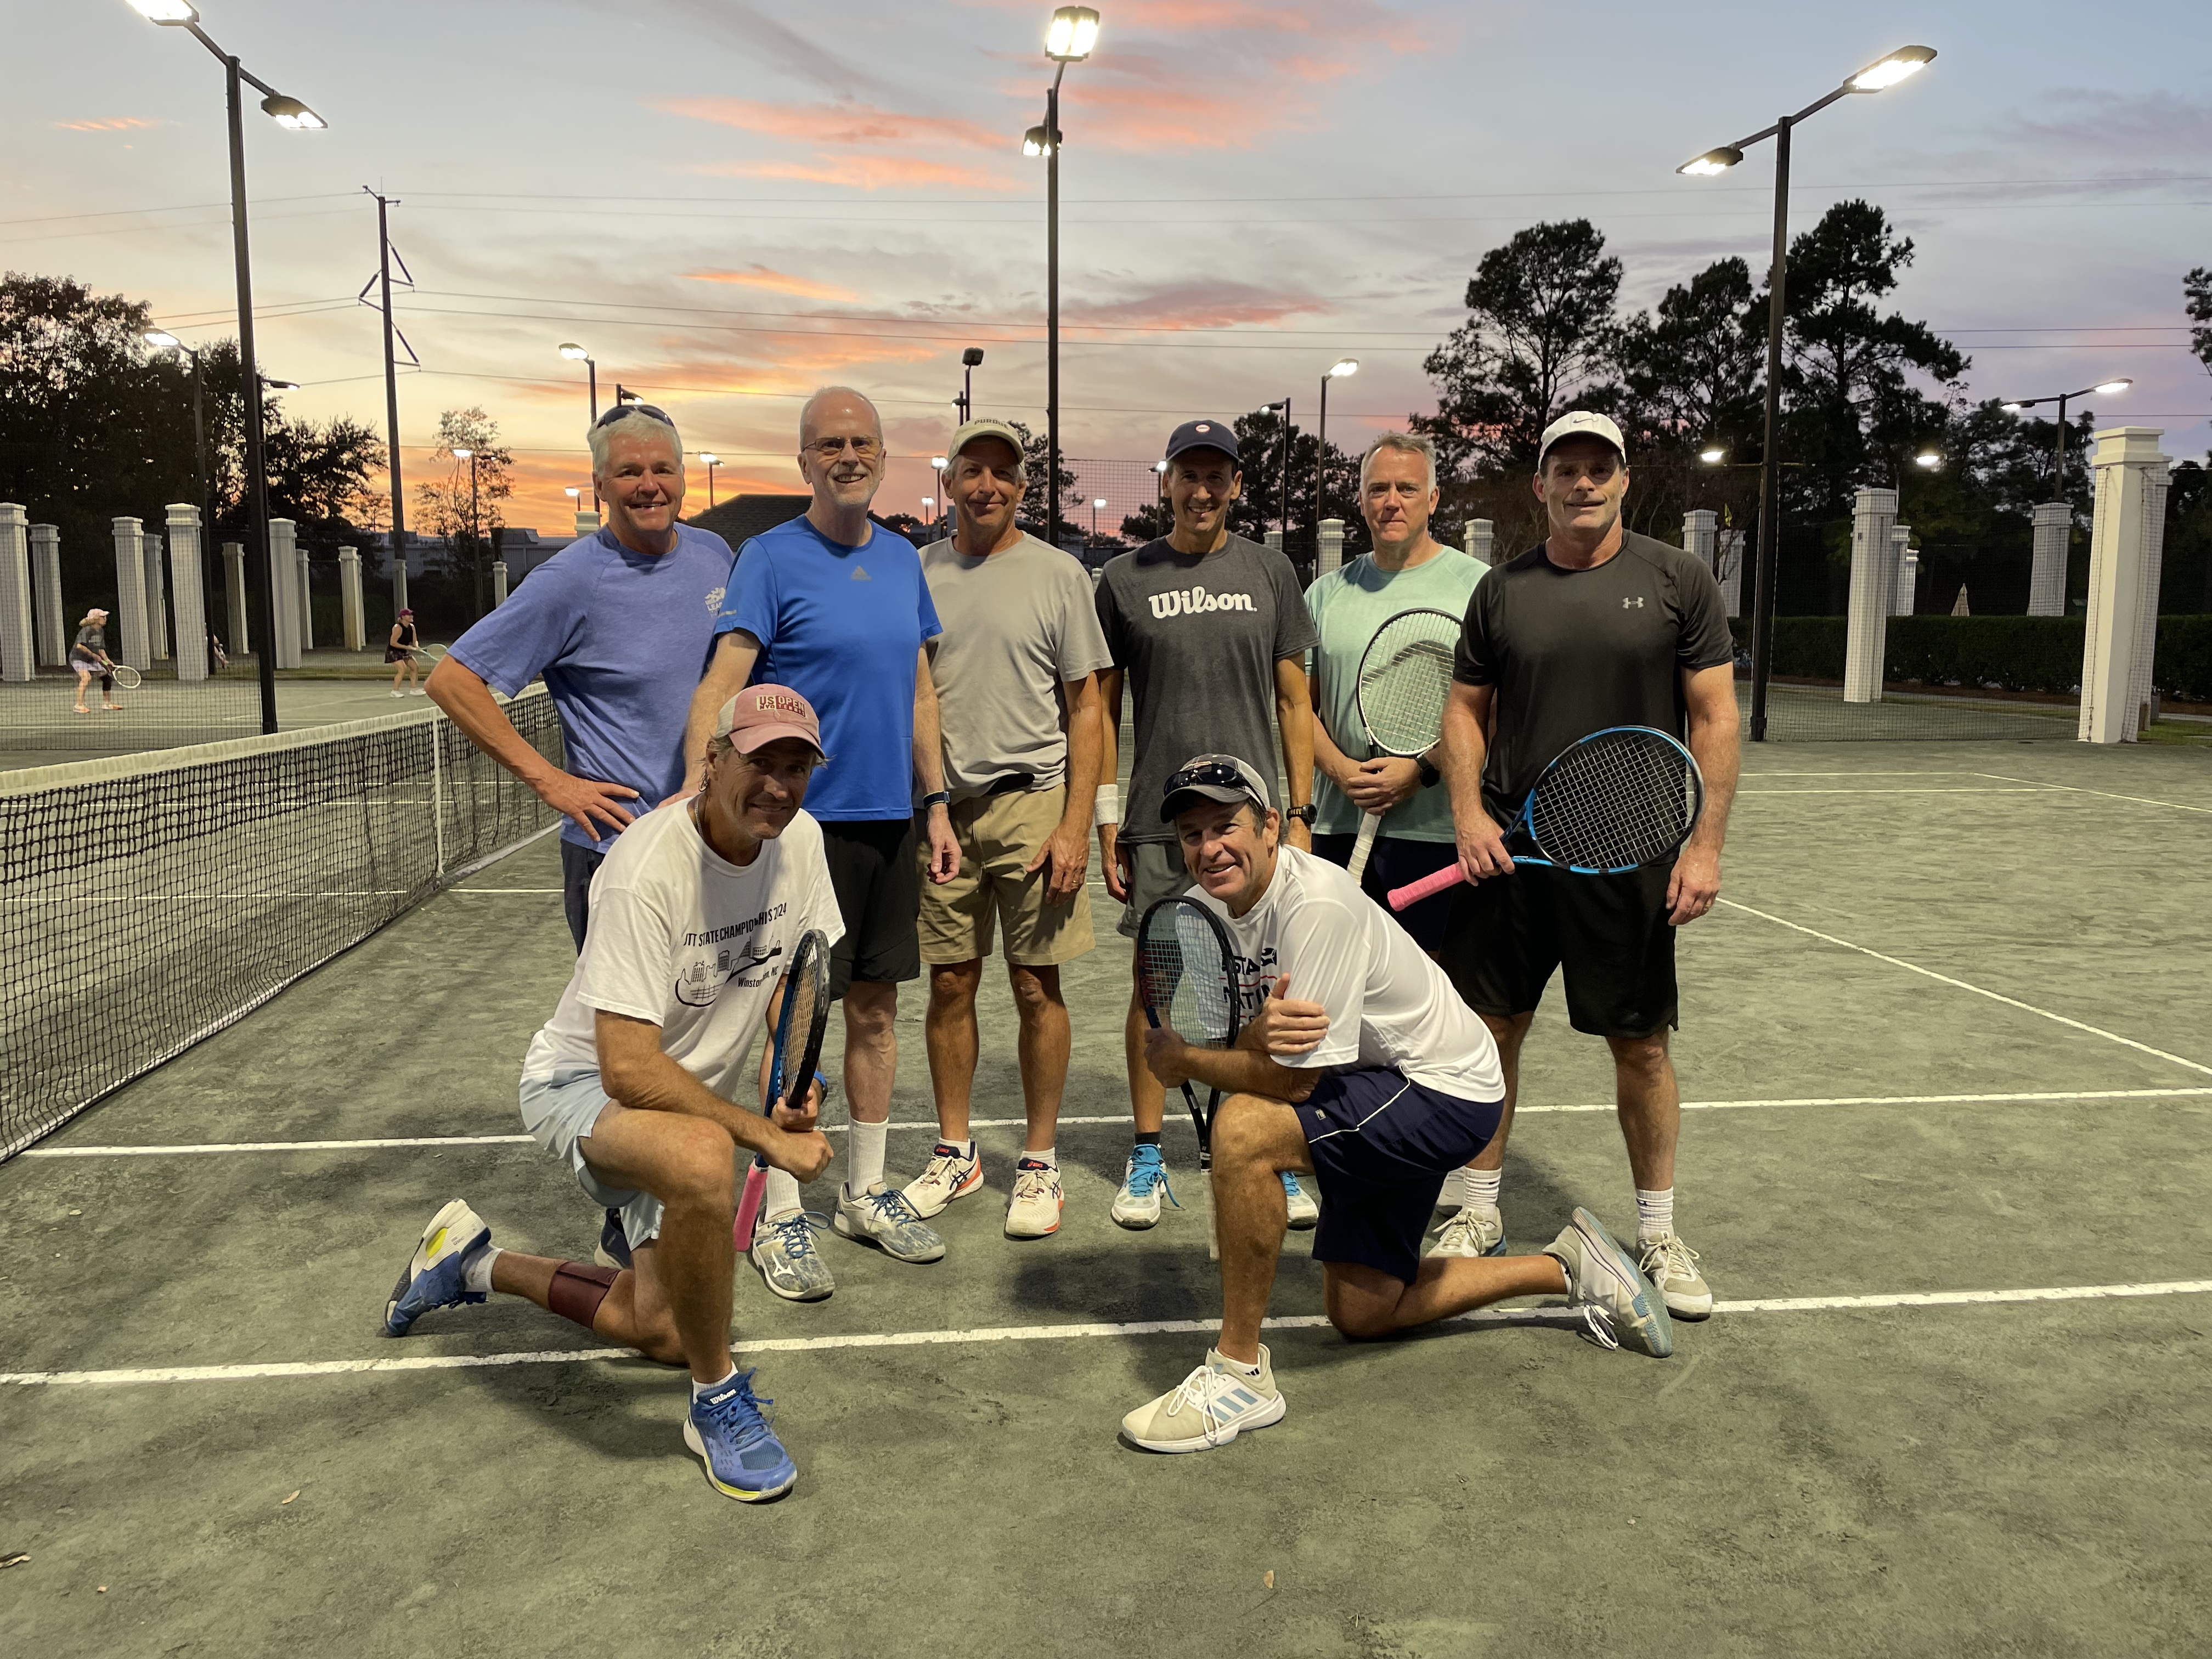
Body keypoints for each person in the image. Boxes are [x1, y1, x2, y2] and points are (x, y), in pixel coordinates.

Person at [1118, 754, 1674, 1454]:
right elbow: (1239, 1033)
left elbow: (1289, 1084)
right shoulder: (1198, 912)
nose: (1208, 848)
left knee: (1246, 1130)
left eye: (1225, 826)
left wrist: (1185, 1062)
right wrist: (1244, 1040)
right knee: (1364, 1311)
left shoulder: (1313, 906)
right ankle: (1568, 1266)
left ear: (1267, 828)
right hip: (1376, 1083)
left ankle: (1239, 1375)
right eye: (1191, 834)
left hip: (1445, 1089)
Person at [381, 686, 842, 1502]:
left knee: (662, 1330)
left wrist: (790, 1082)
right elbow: (627, 1067)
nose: (777, 783)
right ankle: (717, 1402)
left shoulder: (800, 840)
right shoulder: (644, 870)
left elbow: (789, 980)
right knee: (705, 1157)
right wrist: (762, 1138)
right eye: (759, 761)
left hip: (680, 1097)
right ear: (714, 758)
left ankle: (473, 1263)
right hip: (579, 1085)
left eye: (795, 766)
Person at [1437, 410, 1739, 1312]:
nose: (1581, 483)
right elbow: (1463, 709)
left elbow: (1715, 716)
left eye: (1597, 468)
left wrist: (1706, 845)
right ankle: (1478, 1210)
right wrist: (1465, 813)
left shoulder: (1676, 578)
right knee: (1488, 1033)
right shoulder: (1502, 590)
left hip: (1630, 854)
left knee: (1639, 1044)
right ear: (1539, 484)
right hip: (1514, 849)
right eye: (1563, 469)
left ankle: (1656, 1233)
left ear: (1621, 478)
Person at [683, 386, 961, 1298]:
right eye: (829, 443)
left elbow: (920, 693)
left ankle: (865, 1189)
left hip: (888, 824)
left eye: (863, 441)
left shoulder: (900, 560)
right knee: (788, 1017)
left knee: (875, 1009)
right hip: (795, 827)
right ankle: (774, 1207)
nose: (848, 455)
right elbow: (721, 684)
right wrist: (703, 799)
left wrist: (938, 804)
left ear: (884, 456)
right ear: (804, 461)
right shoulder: (768, 558)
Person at [1094, 419, 1319, 1235]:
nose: (1201, 490)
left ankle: (1270, 1141)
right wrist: (1108, 818)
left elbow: (1296, 699)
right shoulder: (1123, 577)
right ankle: (1150, 1150)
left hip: (1255, 822)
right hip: (1163, 821)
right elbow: (1102, 709)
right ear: (1167, 482)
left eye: (1215, 477)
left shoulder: (1272, 571)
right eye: (1187, 476)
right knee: (1157, 988)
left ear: (1234, 484)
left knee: (1266, 986)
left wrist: (1296, 813)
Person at [896, 419, 1111, 1240]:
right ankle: (958, 1151)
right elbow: (914, 694)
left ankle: (1040, 1160)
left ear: (1023, 487)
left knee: (1034, 986)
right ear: (947, 483)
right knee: (951, 983)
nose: (987, 484)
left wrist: (1074, 824)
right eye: (971, 470)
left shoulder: (1060, 575)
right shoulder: (915, 574)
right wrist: (932, 801)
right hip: (943, 809)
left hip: (1035, 804)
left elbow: (1087, 706)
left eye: (1003, 473)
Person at [427, 404, 736, 953]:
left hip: (711, 838)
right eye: (629, 473)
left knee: (707, 1023)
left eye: (663, 470)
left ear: (684, 477)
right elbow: (452, 681)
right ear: (600, 486)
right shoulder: (568, 581)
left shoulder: (715, 555)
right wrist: (551, 781)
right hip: (618, 850)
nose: (649, 486)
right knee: (625, 1035)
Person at [1304, 432, 1482, 951]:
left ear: (1433, 498)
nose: (1391, 501)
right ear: (1360, 500)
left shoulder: (1479, 586)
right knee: (1338, 996)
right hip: (1337, 828)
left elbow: (1491, 709)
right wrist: (1342, 772)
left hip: (1439, 834)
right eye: (1378, 489)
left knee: (1431, 1004)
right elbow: (1297, 708)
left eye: (1407, 488)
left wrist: (1420, 770)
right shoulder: (1325, 593)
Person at [70, 608, 120, 713]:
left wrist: (108, 661)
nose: (105, 619)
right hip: (79, 658)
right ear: (96, 619)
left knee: (107, 676)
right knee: (86, 678)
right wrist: (93, 654)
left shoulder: (100, 631)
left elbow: (101, 649)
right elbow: (79, 646)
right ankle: (78, 705)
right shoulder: (87, 630)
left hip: (91, 659)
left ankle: (107, 704)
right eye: (103, 617)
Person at [387, 608, 425, 697]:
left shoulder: (412, 627)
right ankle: (395, 692)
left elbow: (415, 640)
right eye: (409, 615)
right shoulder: (397, 628)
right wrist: (407, 647)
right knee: (402, 669)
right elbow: (393, 643)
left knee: (415, 667)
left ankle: (414, 689)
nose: (412, 616)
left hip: (405, 651)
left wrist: (416, 646)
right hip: (394, 651)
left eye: (412, 614)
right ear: (403, 617)